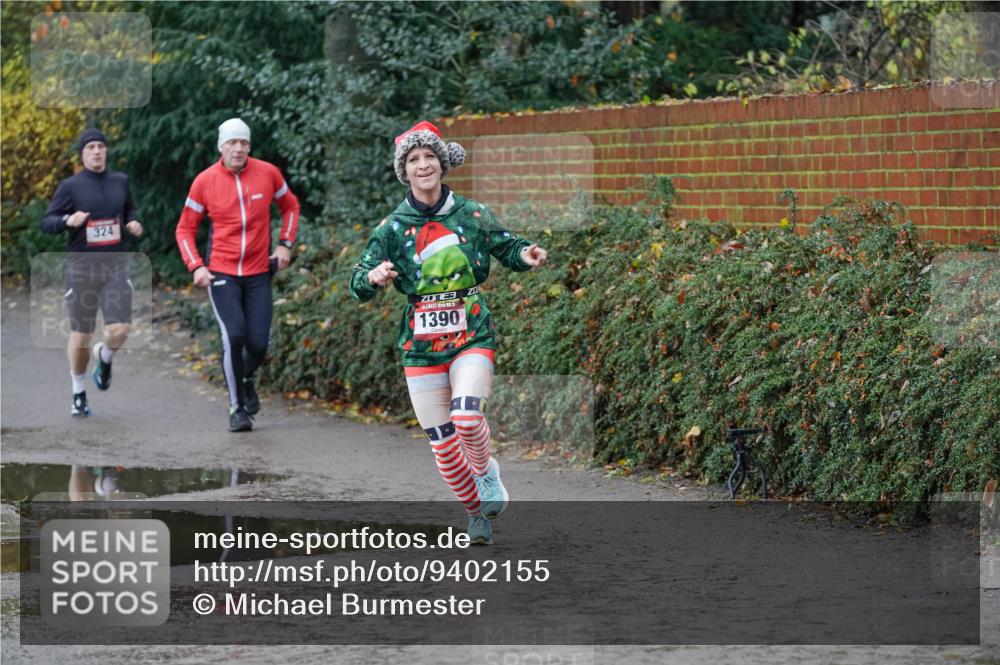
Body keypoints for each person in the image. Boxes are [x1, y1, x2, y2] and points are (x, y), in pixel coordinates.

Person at [349, 121, 548, 544]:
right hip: (420, 347)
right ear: (405, 171)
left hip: (471, 332)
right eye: (413, 159)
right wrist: (373, 276)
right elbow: (357, 282)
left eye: (429, 157)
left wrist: (525, 254)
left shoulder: (471, 213)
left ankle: (486, 472)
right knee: (442, 442)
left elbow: (506, 246)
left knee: (467, 418)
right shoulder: (391, 227)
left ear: (442, 164)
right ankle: (475, 514)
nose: (423, 165)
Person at [175, 118, 301, 432]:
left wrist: (285, 244)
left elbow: (291, 206)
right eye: (232, 142)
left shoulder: (268, 173)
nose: (238, 148)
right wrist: (196, 265)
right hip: (221, 273)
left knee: (258, 343)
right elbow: (184, 229)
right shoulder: (205, 181)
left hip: (259, 272)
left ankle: (245, 378)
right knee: (234, 335)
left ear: (249, 146)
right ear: (221, 146)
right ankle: (237, 408)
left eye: (244, 142)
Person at [41, 128, 143, 417]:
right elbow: (46, 223)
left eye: (100, 146)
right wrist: (67, 219)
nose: (97, 151)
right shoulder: (70, 186)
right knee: (82, 334)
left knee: (120, 329)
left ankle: (105, 356)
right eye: (90, 147)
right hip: (81, 269)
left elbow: (130, 209)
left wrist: (133, 222)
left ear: (106, 150)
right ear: (83, 154)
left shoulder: (120, 181)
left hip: (116, 266)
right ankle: (78, 392)